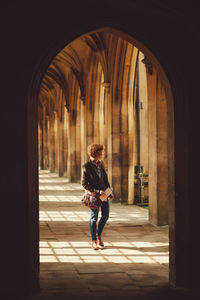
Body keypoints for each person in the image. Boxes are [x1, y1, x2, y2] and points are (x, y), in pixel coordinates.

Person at [82, 143, 114, 250]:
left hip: (104, 194)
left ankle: (98, 234)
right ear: (96, 153)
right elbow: (84, 183)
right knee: (93, 218)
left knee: (105, 216)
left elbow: (105, 179)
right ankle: (94, 241)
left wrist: (109, 191)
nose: (103, 153)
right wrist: (97, 191)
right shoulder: (86, 166)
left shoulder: (101, 164)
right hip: (94, 196)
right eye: (101, 152)